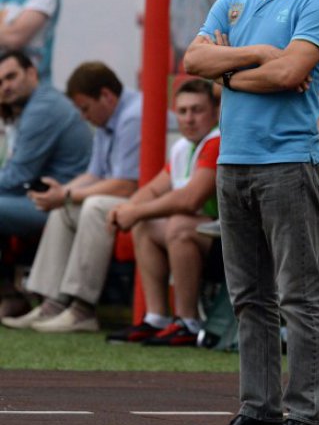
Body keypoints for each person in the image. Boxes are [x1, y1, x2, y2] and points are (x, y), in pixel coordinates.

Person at [184, 0, 319, 425]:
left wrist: (226, 73)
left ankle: (308, 418)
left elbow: (289, 74)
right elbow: (192, 60)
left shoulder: (318, 0)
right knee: (249, 296)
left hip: (288, 161)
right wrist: (256, 56)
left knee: (299, 296)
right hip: (234, 161)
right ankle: (259, 409)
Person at [2, 62, 142, 333]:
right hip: (122, 196)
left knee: (91, 206)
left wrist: (68, 194)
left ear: (106, 96)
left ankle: (82, 309)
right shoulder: (107, 117)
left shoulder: (132, 116)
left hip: (140, 201)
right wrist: (62, 194)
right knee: (63, 207)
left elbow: (126, 185)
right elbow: (94, 174)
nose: (82, 116)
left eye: (85, 109)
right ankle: (51, 304)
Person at [105, 79, 221, 347]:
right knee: (145, 225)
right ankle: (156, 318)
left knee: (178, 225)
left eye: (197, 110)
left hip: (238, 242)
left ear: (215, 112)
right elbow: (154, 188)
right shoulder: (184, 146)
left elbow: (190, 199)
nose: (189, 119)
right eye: (182, 111)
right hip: (210, 236)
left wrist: (135, 211)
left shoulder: (217, 141)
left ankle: (188, 322)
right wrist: (124, 210)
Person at [0, 51, 91, 319]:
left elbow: (16, 178)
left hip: (61, 202)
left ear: (32, 73)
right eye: (0, 82)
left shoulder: (43, 108)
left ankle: (9, 295)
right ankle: (10, 295)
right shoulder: (30, 107)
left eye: (11, 77)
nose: (5, 86)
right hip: (43, 198)